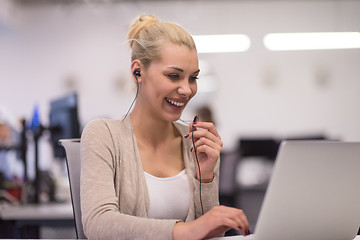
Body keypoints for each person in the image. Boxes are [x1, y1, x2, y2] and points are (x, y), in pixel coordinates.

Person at [80, 14, 250, 240]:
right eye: (173, 76)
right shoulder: (103, 134)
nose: (187, 90)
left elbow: (209, 234)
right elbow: (98, 224)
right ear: (137, 72)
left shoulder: (195, 141)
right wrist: (185, 230)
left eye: (193, 78)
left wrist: (205, 177)